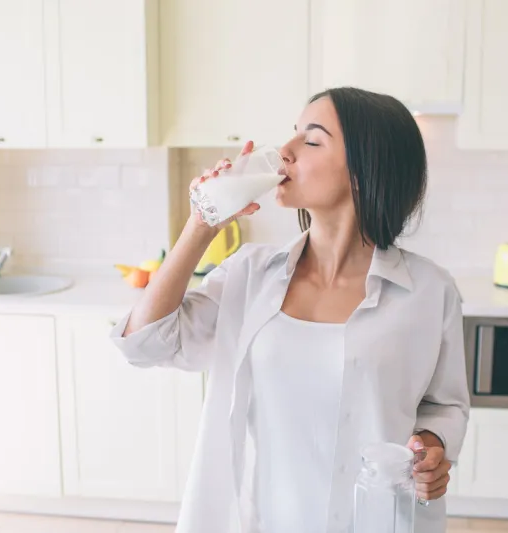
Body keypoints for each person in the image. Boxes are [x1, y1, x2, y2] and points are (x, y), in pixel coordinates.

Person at [110, 87, 470, 533]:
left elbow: (444, 404)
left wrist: (433, 447)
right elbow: (143, 345)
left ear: (364, 169)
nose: (285, 151)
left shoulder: (429, 292)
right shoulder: (249, 275)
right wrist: (200, 225)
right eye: (293, 134)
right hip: (270, 519)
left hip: (381, 520)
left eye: (312, 140)